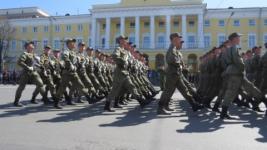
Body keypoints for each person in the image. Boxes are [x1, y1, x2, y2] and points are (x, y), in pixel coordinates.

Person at [220, 33, 266, 119]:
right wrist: (243, 67)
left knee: (251, 88)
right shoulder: (233, 48)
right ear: (234, 39)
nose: (239, 39)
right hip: (237, 73)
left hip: (236, 73)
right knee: (231, 92)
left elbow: (226, 63)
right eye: (238, 37)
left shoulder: (228, 50)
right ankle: (223, 113)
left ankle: (224, 112)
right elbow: (237, 61)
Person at [157, 33, 203, 115]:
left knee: (184, 90)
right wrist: (180, 65)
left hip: (176, 73)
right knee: (167, 91)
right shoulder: (171, 49)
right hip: (172, 74)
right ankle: (160, 108)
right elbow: (170, 60)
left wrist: (180, 66)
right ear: (174, 39)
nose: (180, 40)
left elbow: (176, 61)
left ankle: (194, 105)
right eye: (178, 38)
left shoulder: (174, 49)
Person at [13, 42, 47, 107]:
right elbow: (19, 62)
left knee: (40, 84)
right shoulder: (25, 54)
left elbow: (34, 63)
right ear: (27, 47)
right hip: (26, 72)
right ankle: (16, 101)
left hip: (34, 72)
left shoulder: (33, 54)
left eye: (32, 46)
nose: (32, 47)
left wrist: (40, 66)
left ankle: (45, 99)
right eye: (30, 46)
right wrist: (27, 67)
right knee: (21, 87)